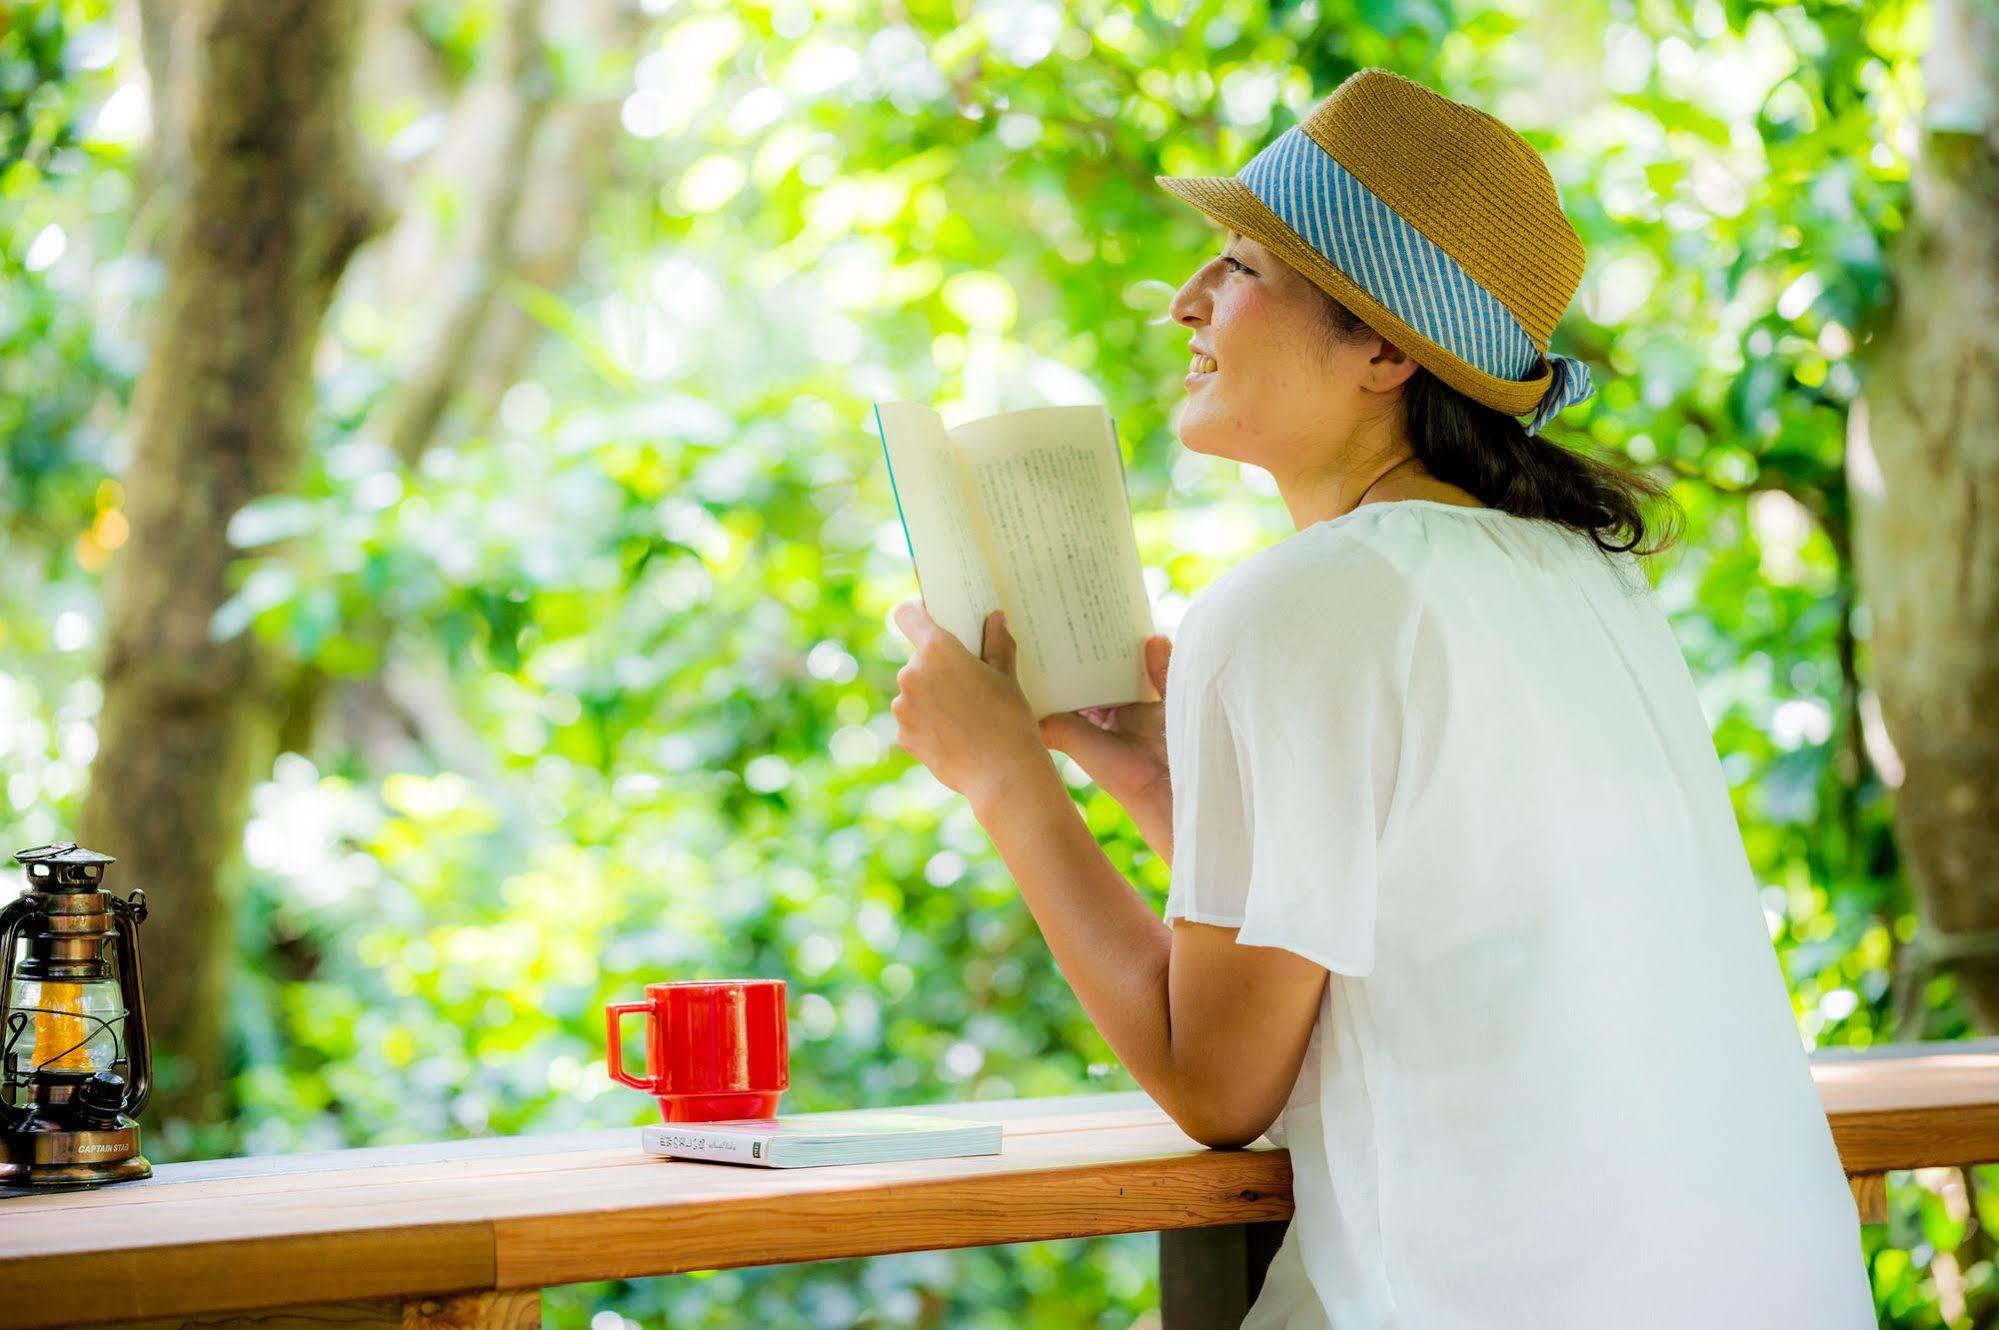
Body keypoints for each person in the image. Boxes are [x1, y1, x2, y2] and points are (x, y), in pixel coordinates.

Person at [886, 67, 1874, 1328]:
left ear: (1384, 348)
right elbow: (1393, 932)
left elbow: (1218, 1085)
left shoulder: (1302, 601)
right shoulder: (1574, 575)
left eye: (1240, 268)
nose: (1184, 304)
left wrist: (1005, 784)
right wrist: (1149, 775)